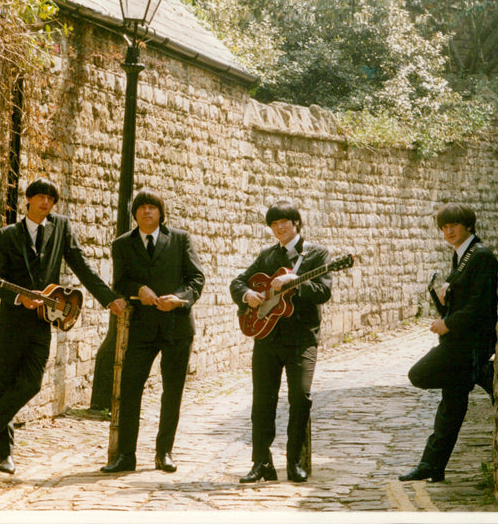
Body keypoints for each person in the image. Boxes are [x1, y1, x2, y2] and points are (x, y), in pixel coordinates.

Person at [0, 178, 126, 474]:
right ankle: (5, 454)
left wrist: (108, 298)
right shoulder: (7, 235)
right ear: (29, 199)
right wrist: (18, 300)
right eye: (40, 197)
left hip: (43, 322)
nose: (46, 203)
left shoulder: (60, 227)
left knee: (31, 384)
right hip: (11, 320)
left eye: (51, 198)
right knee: (4, 387)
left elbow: (82, 265)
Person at [101, 189, 205, 474]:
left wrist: (180, 299)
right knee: (130, 389)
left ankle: (164, 453)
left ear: (161, 212)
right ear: (134, 213)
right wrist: (138, 289)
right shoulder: (122, 244)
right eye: (142, 208)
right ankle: (126, 456)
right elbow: (120, 281)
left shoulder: (180, 239)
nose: (147, 212)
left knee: (172, 392)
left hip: (176, 327)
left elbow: (197, 278)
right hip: (141, 329)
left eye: (152, 207)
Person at [230, 200, 332, 483]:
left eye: (284, 222)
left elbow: (323, 292)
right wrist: (246, 295)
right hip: (267, 337)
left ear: (296, 223)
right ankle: (261, 462)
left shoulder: (316, 254)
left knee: (300, 398)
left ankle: (295, 462)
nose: (279, 228)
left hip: (302, 339)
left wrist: (296, 282)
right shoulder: (267, 256)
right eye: (274, 225)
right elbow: (238, 282)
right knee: (262, 402)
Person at [398, 202, 497, 483]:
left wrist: (447, 323)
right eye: (444, 227)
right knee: (450, 409)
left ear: (468, 225)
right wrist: (447, 294)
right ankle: (432, 465)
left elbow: (482, 305)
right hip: (459, 344)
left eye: (454, 224)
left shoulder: (481, 256)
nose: (449, 230)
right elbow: (467, 295)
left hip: (467, 345)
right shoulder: (463, 255)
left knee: (419, 374)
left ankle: (482, 372)